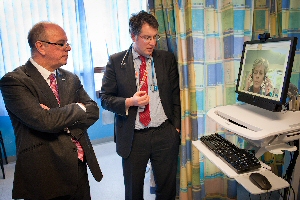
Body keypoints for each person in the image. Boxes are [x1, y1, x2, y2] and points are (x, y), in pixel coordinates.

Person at [0, 21, 103, 200]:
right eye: (62, 43)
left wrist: (58, 115)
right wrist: (78, 108)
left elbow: (93, 110)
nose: (68, 48)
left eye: (67, 43)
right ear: (41, 46)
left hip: (78, 164)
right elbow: (44, 121)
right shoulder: (15, 81)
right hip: (45, 171)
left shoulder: (70, 78)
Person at [100, 10, 181, 200]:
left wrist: (175, 127)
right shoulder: (116, 62)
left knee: (166, 189)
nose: (152, 42)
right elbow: (105, 98)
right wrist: (130, 102)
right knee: (133, 191)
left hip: (164, 133)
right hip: (133, 137)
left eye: (155, 37)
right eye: (146, 37)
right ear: (133, 36)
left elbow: (175, 94)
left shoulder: (166, 59)